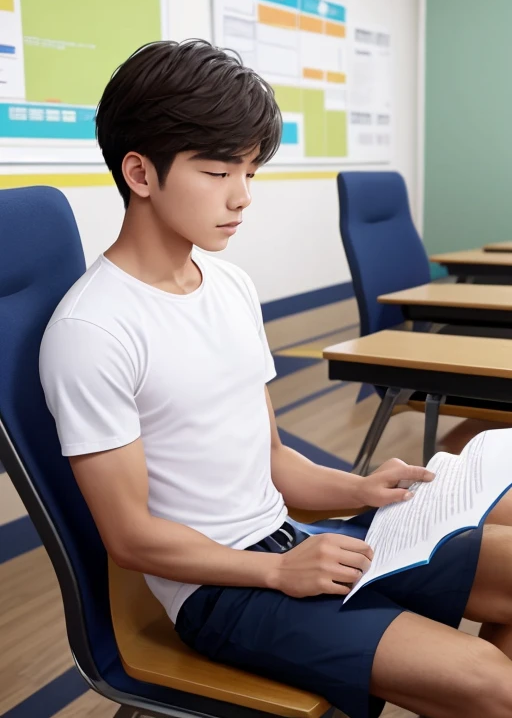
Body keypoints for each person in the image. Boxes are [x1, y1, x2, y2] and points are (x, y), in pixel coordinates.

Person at [39, 40, 512, 718]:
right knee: (490, 682)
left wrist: (362, 488)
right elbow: (130, 537)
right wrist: (275, 571)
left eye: (251, 171)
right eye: (216, 171)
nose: (242, 197)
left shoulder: (229, 285)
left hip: (290, 541)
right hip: (218, 591)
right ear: (140, 174)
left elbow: (271, 460)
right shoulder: (93, 330)